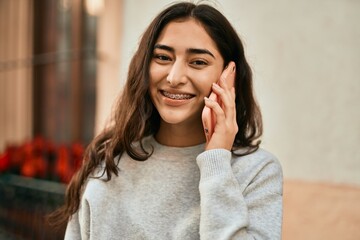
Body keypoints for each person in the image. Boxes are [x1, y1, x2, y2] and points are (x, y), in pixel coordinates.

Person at [49, 1, 283, 239]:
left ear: (229, 75)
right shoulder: (108, 162)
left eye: (198, 62)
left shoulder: (256, 172)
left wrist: (216, 162)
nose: (174, 77)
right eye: (162, 57)